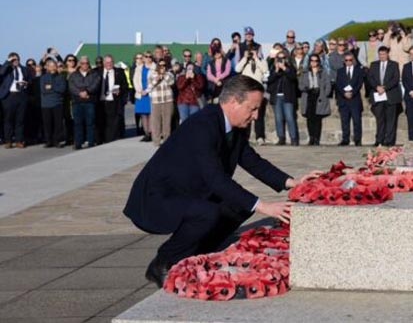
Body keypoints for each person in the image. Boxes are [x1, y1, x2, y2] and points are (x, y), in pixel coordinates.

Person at [123, 75, 318, 288]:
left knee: (239, 205)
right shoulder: (203, 125)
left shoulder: (232, 127)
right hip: (157, 198)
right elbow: (216, 179)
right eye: (252, 109)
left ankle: (200, 252)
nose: (255, 116)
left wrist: (293, 182)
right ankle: (163, 263)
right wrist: (264, 207)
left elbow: (252, 161)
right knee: (209, 212)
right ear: (233, 101)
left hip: (189, 192)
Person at [367, 46, 402, 147]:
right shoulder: (374, 65)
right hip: (378, 96)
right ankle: (379, 140)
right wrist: (377, 87)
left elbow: (395, 79)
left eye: (384, 54)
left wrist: (385, 88)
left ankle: (389, 140)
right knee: (380, 119)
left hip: (390, 95)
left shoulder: (394, 65)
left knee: (391, 120)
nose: (382, 56)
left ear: (387, 54)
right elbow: (370, 78)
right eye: (380, 54)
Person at [235, 48, 268, 145]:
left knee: (259, 116)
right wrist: (245, 58)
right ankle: (245, 137)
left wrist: (256, 58)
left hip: (258, 92)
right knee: (246, 115)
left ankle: (260, 137)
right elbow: (237, 69)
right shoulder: (245, 61)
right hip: (247, 92)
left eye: (254, 51)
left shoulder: (262, 61)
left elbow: (265, 70)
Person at [1, 53, 34, 148]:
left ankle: (19, 140)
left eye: (17, 59)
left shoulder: (24, 69)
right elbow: (1, 73)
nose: (15, 61)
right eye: (13, 59)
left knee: (20, 119)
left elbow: (30, 80)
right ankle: (8, 141)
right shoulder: (6, 68)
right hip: (9, 96)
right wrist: (8, 62)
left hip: (21, 95)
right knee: (8, 119)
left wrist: (26, 83)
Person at [266, 49, 299, 146]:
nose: (280, 60)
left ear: (286, 59)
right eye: (279, 58)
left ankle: (294, 138)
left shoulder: (290, 68)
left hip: (288, 96)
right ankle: (281, 138)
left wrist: (284, 68)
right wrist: (276, 71)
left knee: (289, 117)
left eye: (283, 58)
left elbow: (293, 77)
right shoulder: (273, 68)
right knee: (278, 118)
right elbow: (269, 81)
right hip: (277, 97)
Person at [68, 56, 100, 150]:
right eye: (82, 63)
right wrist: (80, 93)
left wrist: (87, 91)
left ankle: (91, 142)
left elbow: (95, 84)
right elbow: (72, 86)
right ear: (79, 64)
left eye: (86, 63)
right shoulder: (74, 75)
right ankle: (78, 142)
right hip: (77, 102)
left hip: (89, 101)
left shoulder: (94, 74)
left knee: (90, 123)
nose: (85, 65)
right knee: (78, 123)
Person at [299, 55, 331, 145]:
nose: (314, 62)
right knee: (309, 119)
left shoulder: (323, 72)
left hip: (319, 96)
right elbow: (300, 84)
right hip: (308, 96)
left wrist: (325, 94)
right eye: (312, 61)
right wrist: (305, 88)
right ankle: (311, 137)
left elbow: (328, 84)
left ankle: (317, 138)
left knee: (317, 119)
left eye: (316, 61)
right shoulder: (305, 72)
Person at [98, 55, 128, 144]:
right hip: (101, 101)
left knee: (113, 122)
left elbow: (125, 86)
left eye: (110, 62)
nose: (109, 64)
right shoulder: (97, 72)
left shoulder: (119, 72)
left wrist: (120, 91)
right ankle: (102, 139)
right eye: (107, 62)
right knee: (102, 121)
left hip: (114, 100)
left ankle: (112, 139)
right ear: (103, 63)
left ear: (113, 62)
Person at [335, 53, 364, 146]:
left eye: (350, 60)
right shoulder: (340, 71)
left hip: (354, 99)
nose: (348, 62)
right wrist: (344, 93)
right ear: (344, 61)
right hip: (343, 100)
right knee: (344, 121)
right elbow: (338, 84)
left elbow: (359, 83)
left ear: (353, 60)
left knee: (357, 121)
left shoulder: (358, 70)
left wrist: (352, 93)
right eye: (346, 60)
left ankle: (357, 139)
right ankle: (345, 139)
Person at [148, 61, 176, 146]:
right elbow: (150, 86)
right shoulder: (152, 75)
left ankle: (166, 141)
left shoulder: (169, 74)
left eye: (164, 65)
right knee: (156, 122)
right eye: (160, 65)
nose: (162, 67)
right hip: (156, 101)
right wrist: (157, 78)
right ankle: (156, 141)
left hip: (168, 100)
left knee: (167, 122)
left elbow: (171, 82)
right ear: (157, 66)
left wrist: (164, 75)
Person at [40, 59, 67, 147]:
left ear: (56, 67)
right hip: (46, 104)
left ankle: (57, 141)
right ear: (47, 67)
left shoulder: (61, 77)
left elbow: (62, 89)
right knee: (47, 124)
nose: (52, 67)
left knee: (58, 124)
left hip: (57, 103)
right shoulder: (43, 78)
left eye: (54, 66)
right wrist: (55, 88)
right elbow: (43, 90)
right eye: (50, 66)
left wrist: (51, 87)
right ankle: (48, 141)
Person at [133, 53, 154, 142]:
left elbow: (155, 81)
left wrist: (147, 90)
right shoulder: (139, 68)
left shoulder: (154, 67)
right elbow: (135, 80)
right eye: (146, 56)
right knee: (143, 115)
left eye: (150, 57)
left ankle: (152, 132)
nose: (148, 58)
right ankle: (146, 134)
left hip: (150, 93)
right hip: (141, 94)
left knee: (151, 114)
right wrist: (140, 90)